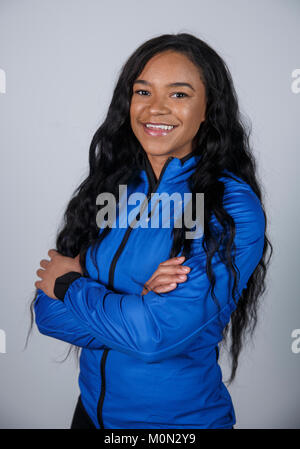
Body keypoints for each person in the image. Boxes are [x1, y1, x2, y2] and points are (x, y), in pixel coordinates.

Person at [29, 33, 272, 429]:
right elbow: (49, 316)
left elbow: (153, 337)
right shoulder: (111, 187)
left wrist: (72, 286)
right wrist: (133, 308)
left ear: (209, 108)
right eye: (143, 91)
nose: (155, 109)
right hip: (90, 415)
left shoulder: (229, 206)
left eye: (179, 95)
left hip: (177, 426)